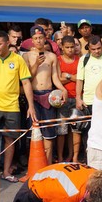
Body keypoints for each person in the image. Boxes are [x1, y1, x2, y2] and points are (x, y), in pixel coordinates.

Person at [0, 30, 36, 182]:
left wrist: (31, 106)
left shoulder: (18, 59)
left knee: (11, 140)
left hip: (12, 107)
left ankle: (6, 171)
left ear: (7, 43)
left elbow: (26, 82)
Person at [22, 25, 69, 165]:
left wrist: (63, 89)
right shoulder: (26, 56)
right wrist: (36, 64)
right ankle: (35, 165)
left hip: (48, 96)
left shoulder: (52, 56)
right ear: (31, 40)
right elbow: (27, 79)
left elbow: (55, 77)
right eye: (35, 38)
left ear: (45, 38)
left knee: (49, 133)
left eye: (41, 38)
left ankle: (47, 164)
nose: (38, 41)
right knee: (35, 133)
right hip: (33, 96)